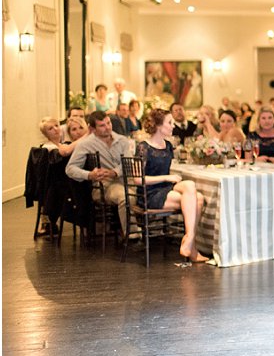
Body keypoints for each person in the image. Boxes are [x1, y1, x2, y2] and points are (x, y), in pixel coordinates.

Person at [135, 109, 209, 263]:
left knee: (191, 186)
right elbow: (137, 179)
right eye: (170, 122)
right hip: (149, 194)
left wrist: (168, 180)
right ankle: (191, 247)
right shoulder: (143, 147)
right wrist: (166, 177)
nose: (173, 126)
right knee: (198, 199)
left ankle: (189, 240)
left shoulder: (168, 145)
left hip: (165, 189)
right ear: (158, 126)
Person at [65, 111, 133, 236]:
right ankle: (132, 234)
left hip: (127, 180)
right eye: (102, 125)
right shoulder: (86, 144)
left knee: (150, 192)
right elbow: (70, 168)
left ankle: (153, 231)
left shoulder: (122, 140)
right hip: (104, 185)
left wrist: (114, 172)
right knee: (126, 197)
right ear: (92, 129)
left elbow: (128, 164)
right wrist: (89, 175)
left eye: (108, 123)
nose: (107, 127)